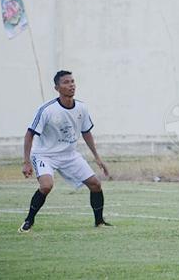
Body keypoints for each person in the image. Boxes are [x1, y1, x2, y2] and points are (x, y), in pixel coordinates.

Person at [19, 70, 110, 233]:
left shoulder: (82, 107)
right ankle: (28, 221)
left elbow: (86, 132)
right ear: (57, 88)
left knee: (95, 184)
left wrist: (97, 157)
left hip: (69, 155)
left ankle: (100, 222)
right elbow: (29, 134)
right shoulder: (47, 109)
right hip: (44, 155)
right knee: (46, 186)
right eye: (66, 82)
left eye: (73, 81)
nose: (71, 85)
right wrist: (26, 162)